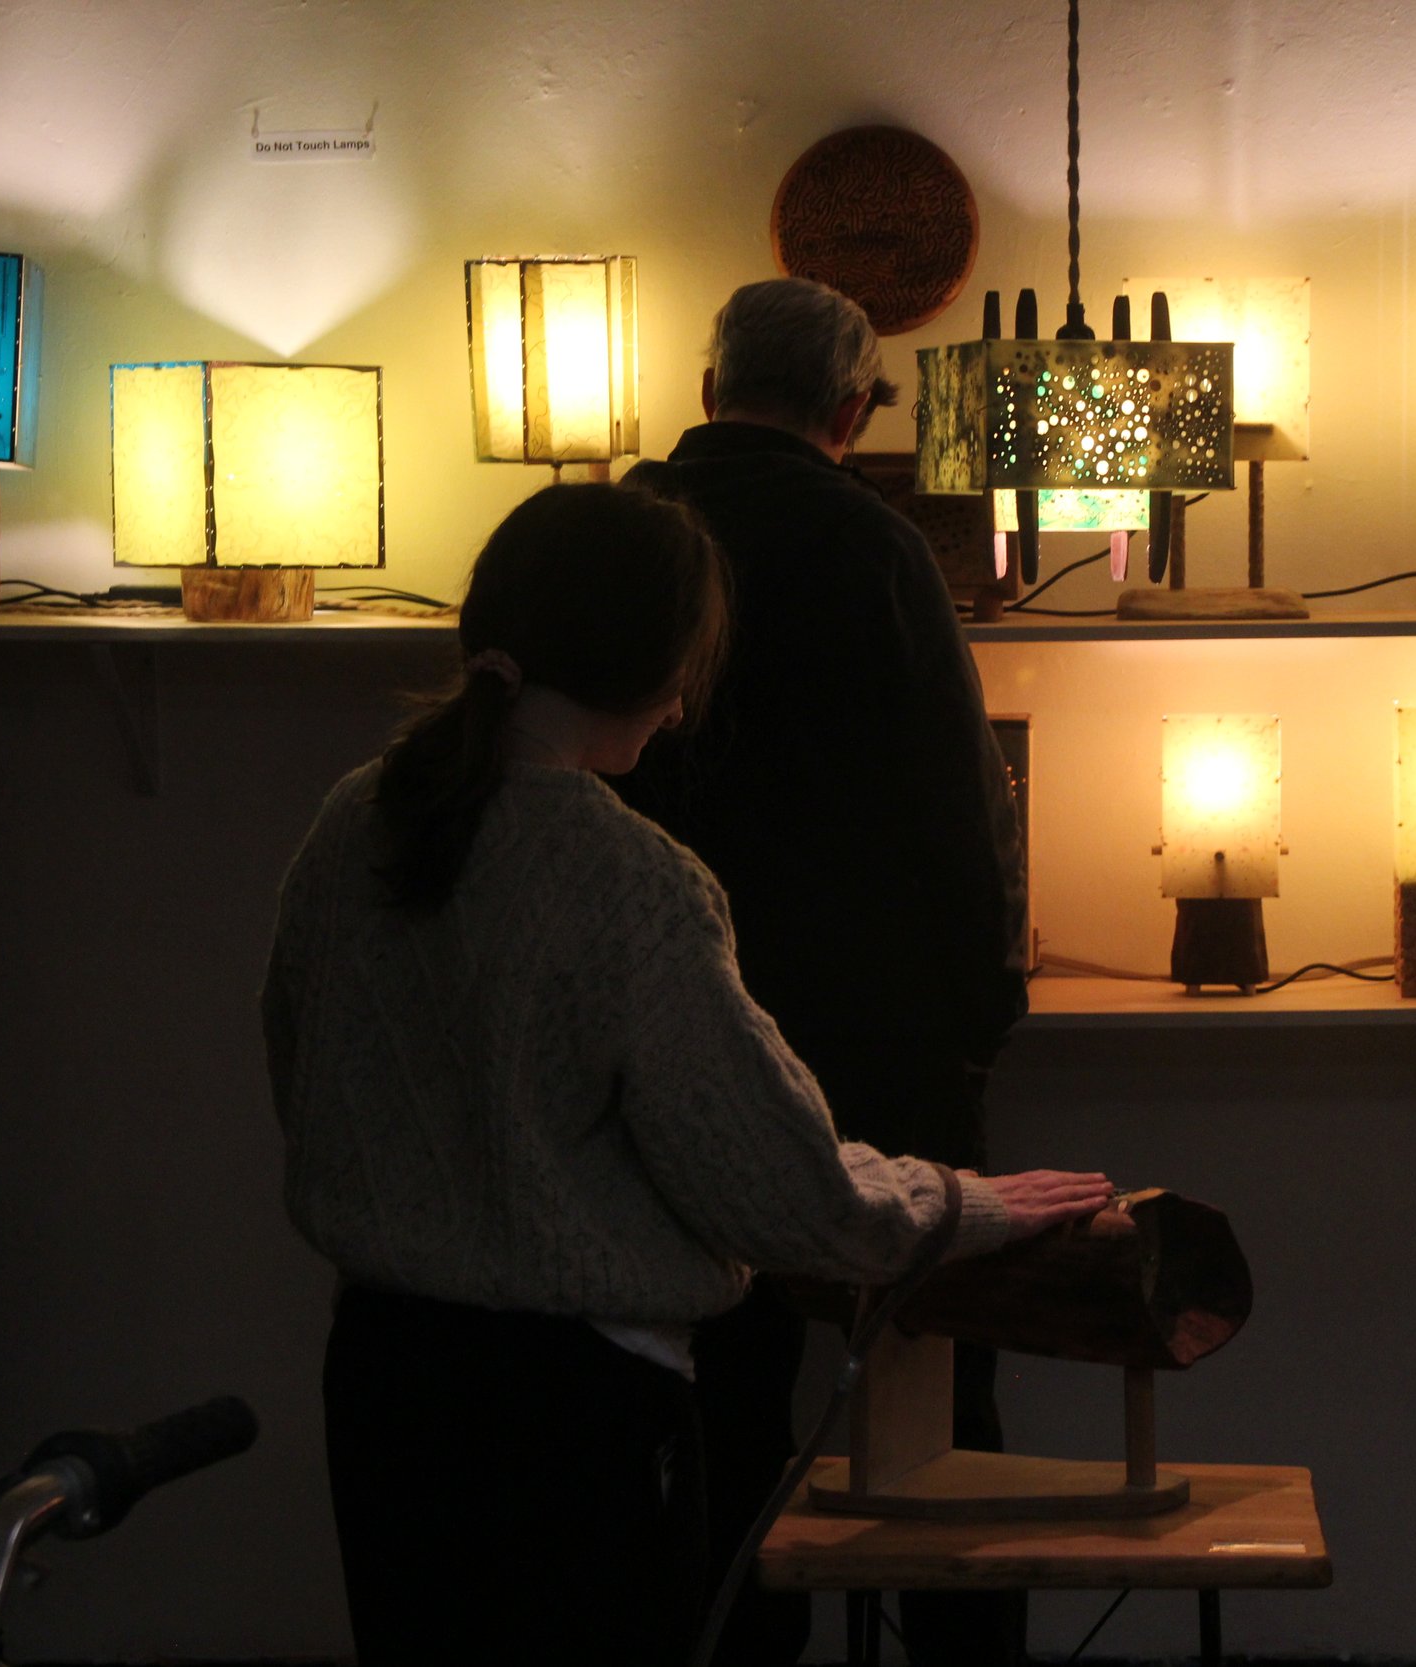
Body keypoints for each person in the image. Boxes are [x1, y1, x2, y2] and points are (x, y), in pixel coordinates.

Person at [260, 483, 1111, 1666]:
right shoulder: (631, 879)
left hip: (378, 1382)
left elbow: (302, 1067)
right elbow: (784, 1191)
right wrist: (965, 1203)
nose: (680, 705)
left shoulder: (356, 821)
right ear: (657, 668)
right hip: (575, 1413)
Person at [617, 277, 1032, 1665]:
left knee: (716, 1401)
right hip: (875, 1033)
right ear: (852, 409)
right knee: (933, 1394)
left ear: (707, 381)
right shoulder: (873, 545)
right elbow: (960, 806)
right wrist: (980, 1013)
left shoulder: (628, 532)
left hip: (669, 1032)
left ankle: (736, 1651)